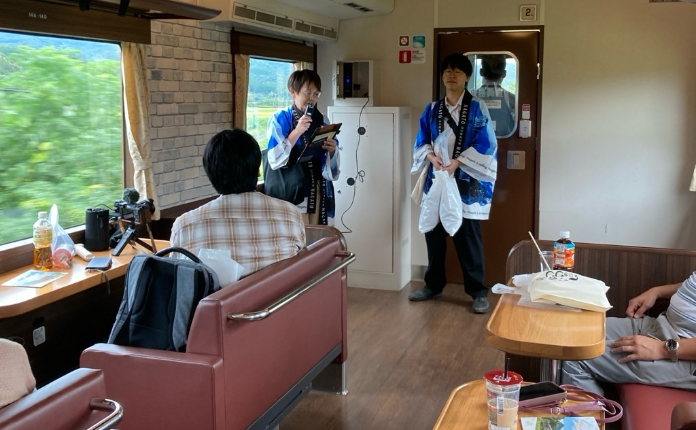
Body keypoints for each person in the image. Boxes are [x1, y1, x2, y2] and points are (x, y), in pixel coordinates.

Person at [409, 53, 498, 314]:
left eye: (458, 71)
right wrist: (431, 157)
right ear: (442, 76)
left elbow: (487, 143)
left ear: (467, 77)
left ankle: (478, 292)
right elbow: (422, 139)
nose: (452, 75)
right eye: (447, 70)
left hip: (466, 180)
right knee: (433, 233)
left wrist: (458, 162)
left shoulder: (477, 107)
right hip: (438, 178)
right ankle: (433, 285)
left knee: (467, 236)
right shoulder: (432, 109)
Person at [169, 129, 305, 279]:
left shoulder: (184, 226)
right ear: (257, 171)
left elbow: (178, 281)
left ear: (211, 175)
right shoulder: (290, 214)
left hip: (219, 295)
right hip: (284, 294)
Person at [562, 272, 696, 394]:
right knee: (566, 333)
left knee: (572, 355)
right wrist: (658, 292)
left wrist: (661, 348)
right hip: (661, 324)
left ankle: (594, 414)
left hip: (681, 353)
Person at [265, 69, 340, 225]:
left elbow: (331, 168)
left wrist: (332, 150)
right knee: (297, 236)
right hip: (290, 192)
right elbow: (273, 159)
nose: (312, 98)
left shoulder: (322, 119)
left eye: (316, 94)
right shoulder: (280, 118)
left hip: (318, 189)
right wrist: (297, 130)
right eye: (308, 93)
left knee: (318, 236)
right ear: (293, 92)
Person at [474, 54, 516, 137]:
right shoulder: (513, 99)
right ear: (504, 73)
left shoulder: (470, 97)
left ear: (481, 72)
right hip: (506, 143)